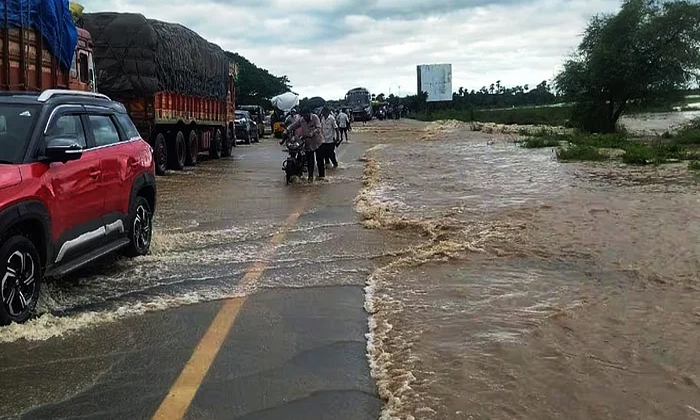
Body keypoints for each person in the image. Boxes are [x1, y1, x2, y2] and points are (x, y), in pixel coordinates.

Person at [283, 107, 325, 181]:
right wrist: (286, 130)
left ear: (310, 114)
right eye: (304, 115)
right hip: (308, 142)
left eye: (306, 115)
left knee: (320, 161)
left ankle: (322, 177)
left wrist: (312, 133)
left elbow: (318, 128)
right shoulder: (302, 120)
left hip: (318, 142)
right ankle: (310, 177)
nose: (305, 117)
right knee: (310, 161)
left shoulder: (315, 118)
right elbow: (294, 126)